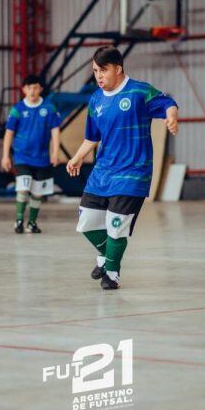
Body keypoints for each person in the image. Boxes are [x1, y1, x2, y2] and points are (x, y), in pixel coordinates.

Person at [67, 46, 178, 290]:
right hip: (103, 172)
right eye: (95, 71)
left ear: (118, 69)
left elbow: (167, 102)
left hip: (133, 172)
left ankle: (112, 273)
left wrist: (172, 116)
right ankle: (107, 257)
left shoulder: (139, 91)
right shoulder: (95, 99)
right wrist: (76, 158)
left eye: (103, 70)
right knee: (86, 223)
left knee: (116, 225)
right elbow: (91, 137)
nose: (99, 76)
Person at [1, 75, 61, 234]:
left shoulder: (49, 108)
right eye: (29, 88)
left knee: (37, 192)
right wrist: (5, 155)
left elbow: (55, 131)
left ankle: (32, 223)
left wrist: (55, 152)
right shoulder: (18, 109)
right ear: (24, 90)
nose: (32, 91)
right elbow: (8, 133)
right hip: (22, 157)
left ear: (40, 89)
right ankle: (19, 220)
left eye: (35, 87)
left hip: (42, 158)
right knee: (23, 187)